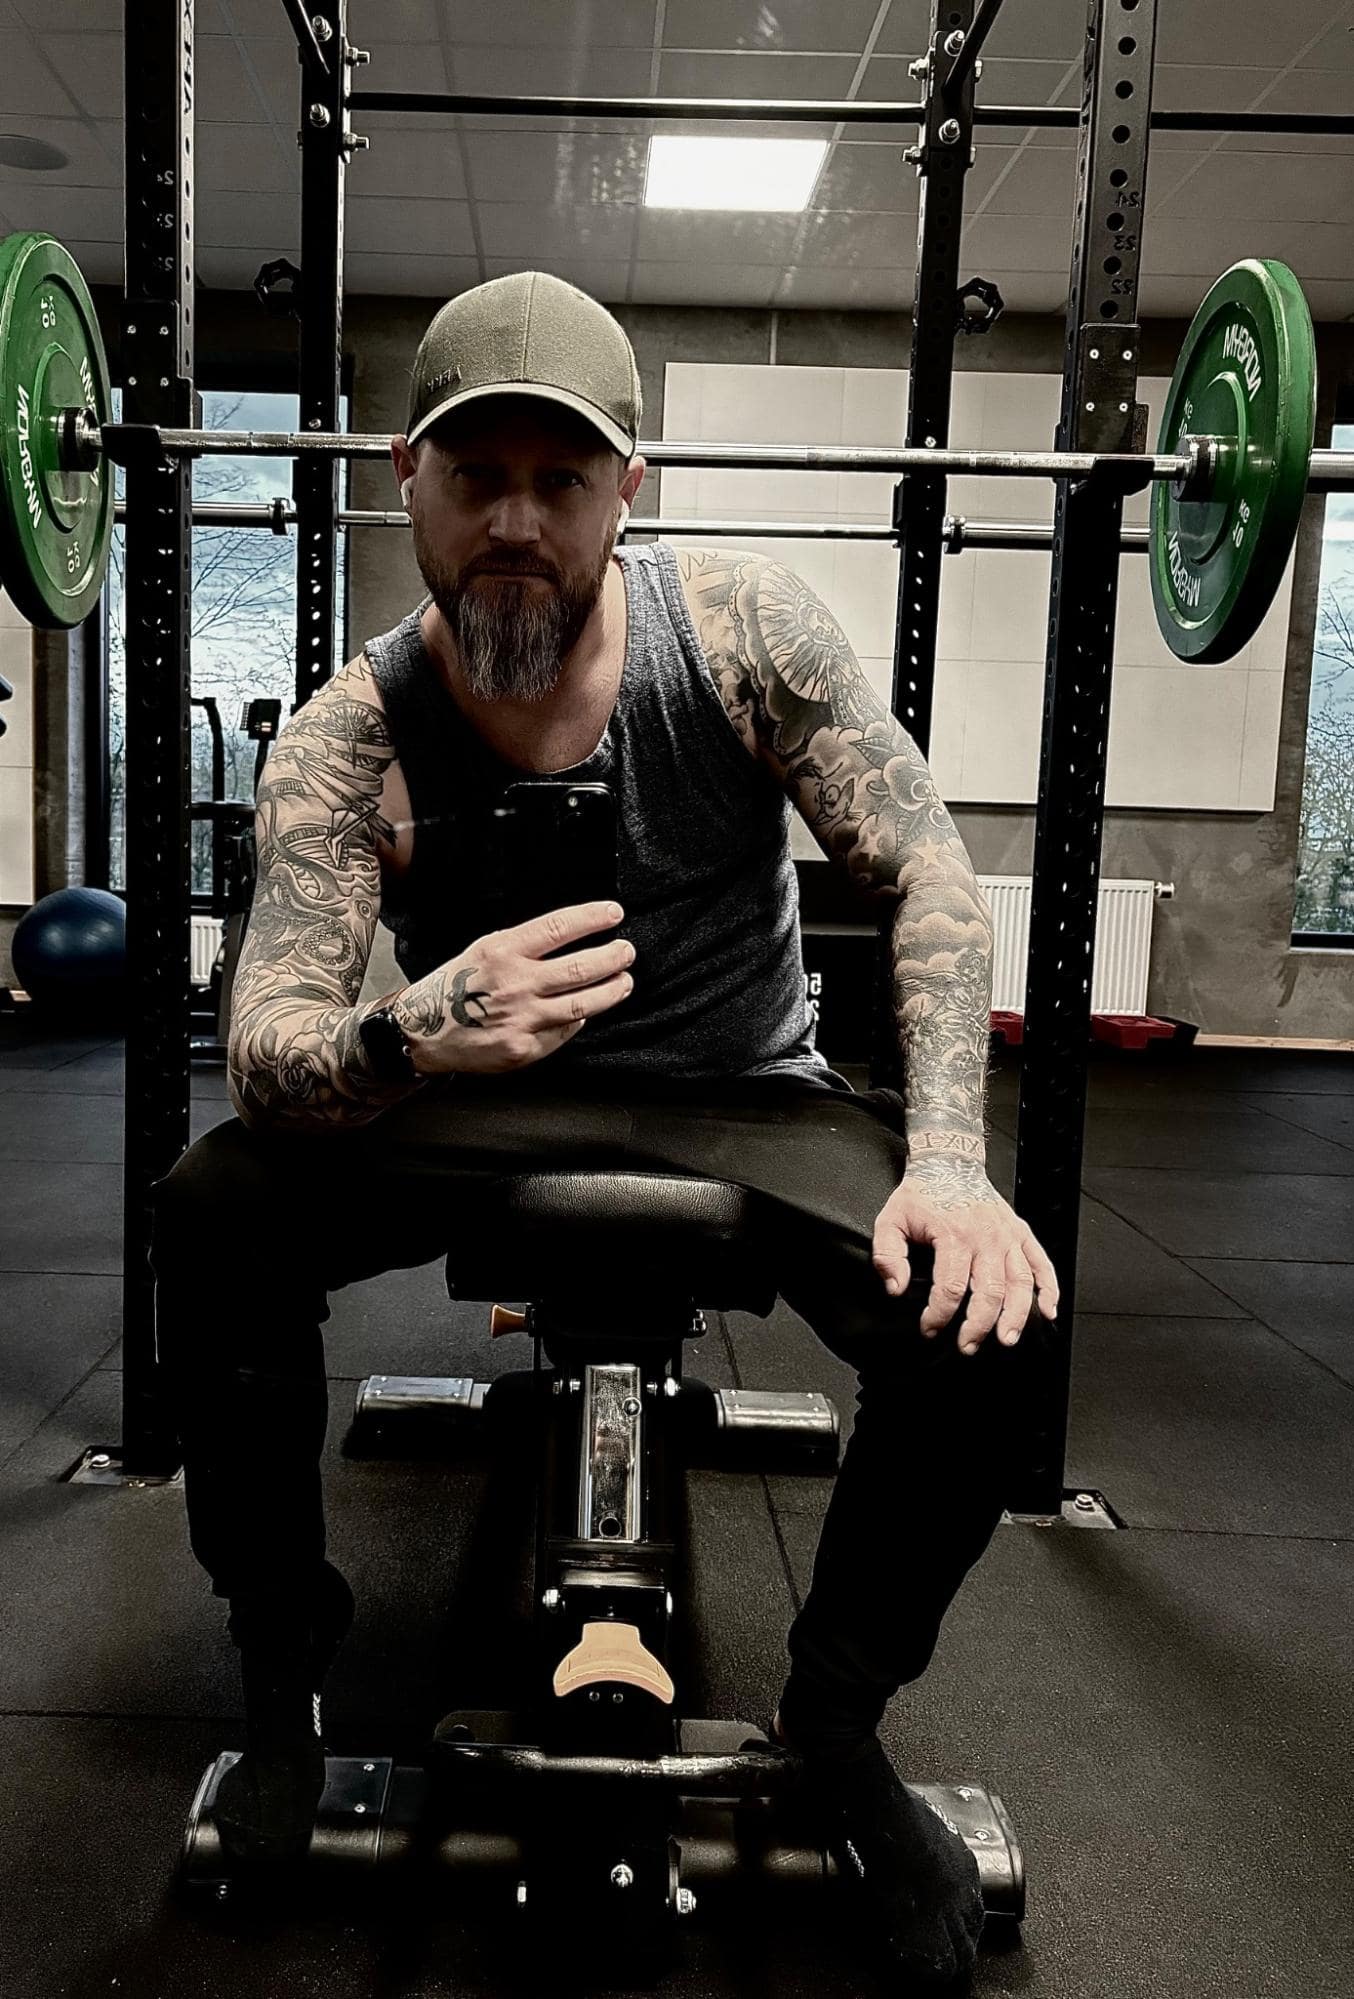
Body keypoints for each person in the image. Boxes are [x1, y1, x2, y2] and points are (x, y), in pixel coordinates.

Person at [150, 271, 1059, 1989]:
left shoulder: (740, 634)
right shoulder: (348, 737)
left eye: (556, 482)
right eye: (474, 476)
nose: (513, 522)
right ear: (405, 473)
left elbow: (926, 868)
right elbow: (266, 1041)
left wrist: (945, 1164)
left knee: (992, 1324)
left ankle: (839, 1723)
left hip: (743, 1091)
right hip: (465, 1092)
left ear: (620, 488)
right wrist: (420, 1023)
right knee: (211, 1211)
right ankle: (283, 1674)